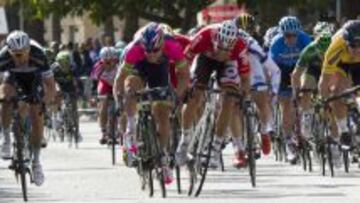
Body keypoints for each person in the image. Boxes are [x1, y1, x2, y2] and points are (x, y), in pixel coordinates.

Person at [113, 22, 189, 184]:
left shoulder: (172, 46)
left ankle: (162, 157)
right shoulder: (134, 50)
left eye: (155, 50)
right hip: (137, 68)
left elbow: (184, 75)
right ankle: (131, 131)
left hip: (160, 70)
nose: (151, 54)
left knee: (162, 112)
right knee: (130, 87)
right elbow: (119, 80)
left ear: (162, 44)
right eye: (147, 50)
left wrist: (177, 95)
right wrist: (119, 100)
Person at [176, 20, 251, 169]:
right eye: (220, 49)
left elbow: (245, 78)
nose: (222, 53)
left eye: (226, 50)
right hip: (206, 59)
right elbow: (186, 60)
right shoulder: (204, 36)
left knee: (229, 99)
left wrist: (244, 97)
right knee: (194, 96)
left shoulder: (240, 47)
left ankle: (215, 148)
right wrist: (186, 84)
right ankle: (185, 141)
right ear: (216, 40)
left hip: (229, 65)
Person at [0, 30, 56, 186]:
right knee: (5, 98)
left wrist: (44, 103)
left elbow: (51, 86)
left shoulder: (39, 55)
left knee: (37, 116)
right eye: (15, 54)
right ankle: (5, 137)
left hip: (34, 79)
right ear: (9, 51)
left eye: (23, 53)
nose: (20, 57)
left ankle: (37, 162)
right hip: (13, 79)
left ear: (29, 50)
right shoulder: (3, 57)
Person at [269, 16, 312, 163]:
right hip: (281, 71)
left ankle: (305, 126)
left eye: (295, 35)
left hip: (300, 68)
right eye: (288, 35)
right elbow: (271, 69)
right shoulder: (276, 44)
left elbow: (312, 61)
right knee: (287, 105)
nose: (292, 38)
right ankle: (288, 142)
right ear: (282, 34)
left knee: (305, 93)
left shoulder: (305, 39)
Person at [319, 20, 360, 166]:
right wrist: (324, 100)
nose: (357, 49)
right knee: (337, 92)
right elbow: (324, 80)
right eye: (353, 46)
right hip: (341, 64)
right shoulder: (335, 47)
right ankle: (344, 130)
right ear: (346, 42)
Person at [237, 29, 281, 161]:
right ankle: (240, 141)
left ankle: (263, 131)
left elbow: (275, 70)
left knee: (262, 101)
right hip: (235, 70)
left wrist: (273, 90)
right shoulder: (229, 47)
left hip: (254, 72)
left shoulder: (254, 48)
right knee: (234, 103)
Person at [91, 46, 119, 144]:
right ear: (102, 61)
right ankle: (104, 132)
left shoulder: (119, 66)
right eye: (107, 62)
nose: (111, 64)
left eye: (113, 61)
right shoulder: (98, 67)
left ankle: (118, 129)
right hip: (105, 85)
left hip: (116, 84)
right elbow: (94, 83)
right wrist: (94, 96)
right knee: (104, 103)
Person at [51, 50, 81, 142]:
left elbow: (77, 81)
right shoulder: (54, 69)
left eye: (66, 63)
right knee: (57, 94)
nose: (64, 66)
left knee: (74, 107)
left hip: (70, 86)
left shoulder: (73, 68)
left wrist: (78, 91)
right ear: (58, 62)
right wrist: (55, 90)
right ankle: (57, 117)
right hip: (59, 85)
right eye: (61, 63)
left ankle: (76, 130)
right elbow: (52, 82)